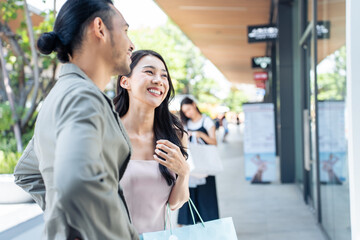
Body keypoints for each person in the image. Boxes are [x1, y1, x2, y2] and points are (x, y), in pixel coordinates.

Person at [13, 1, 138, 239]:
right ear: (99, 28)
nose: (131, 44)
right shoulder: (82, 97)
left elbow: (27, 173)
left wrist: (63, 221)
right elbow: (77, 181)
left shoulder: (60, 95)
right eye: (125, 30)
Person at [113, 50, 190, 234]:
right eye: (149, 72)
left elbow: (175, 203)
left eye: (164, 75)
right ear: (125, 81)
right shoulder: (106, 132)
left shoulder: (175, 136)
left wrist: (184, 173)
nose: (159, 80)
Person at [177, 97, 219, 225]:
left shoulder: (206, 121)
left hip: (205, 164)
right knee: (190, 194)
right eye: (185, 112)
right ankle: (189, 224)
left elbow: (214, 142)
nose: (188, 113)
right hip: (192, 164)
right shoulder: (186, 124)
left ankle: (208, 225)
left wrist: (200, 135)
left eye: (189, 109)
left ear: (194, 105)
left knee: (206, 196)